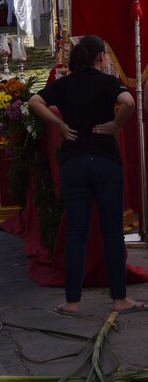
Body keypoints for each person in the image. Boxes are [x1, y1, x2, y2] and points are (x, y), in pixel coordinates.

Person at [29, 35, 142, 316]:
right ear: (102, 57)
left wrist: (60, 124)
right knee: (112, 232)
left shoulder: (64, 83)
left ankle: (72, 302)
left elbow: (34, 101)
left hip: (74, 163)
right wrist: (116, 125)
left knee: (76, 232)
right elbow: (128, 101)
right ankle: (119, 299)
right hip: (105, 161)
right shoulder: (107, 82)